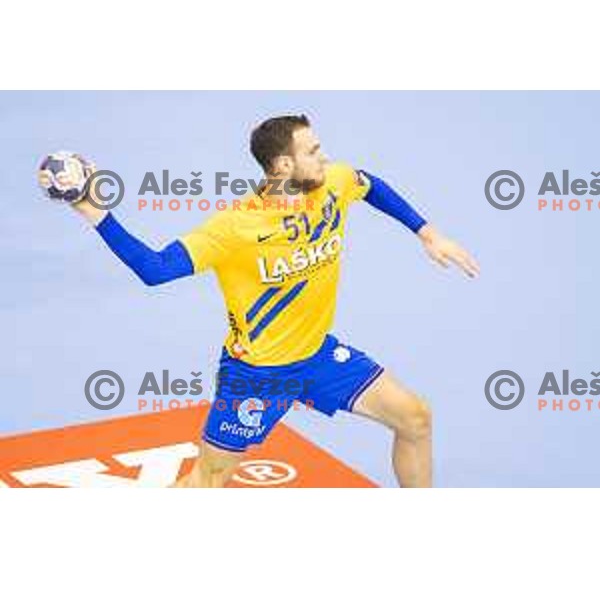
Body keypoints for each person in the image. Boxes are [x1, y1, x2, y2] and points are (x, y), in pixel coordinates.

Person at [72, 114, 479, 488]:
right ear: (284, 166)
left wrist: (426, 232)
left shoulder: (331, 185)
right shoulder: (234, 228)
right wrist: (92, 210)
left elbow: (368, 183)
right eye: (313, 151)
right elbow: (154, 268)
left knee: (415, 418)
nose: (325, 158)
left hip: (316, 355)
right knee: (206, 482)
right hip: (256, 374)